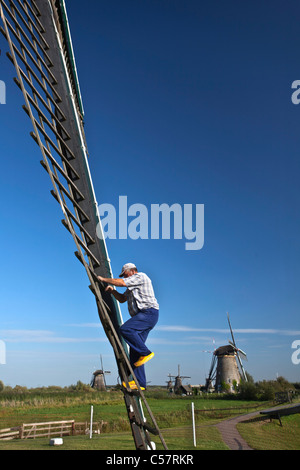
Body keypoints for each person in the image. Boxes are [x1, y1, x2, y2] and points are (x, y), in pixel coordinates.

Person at [97, 263, 159, 391]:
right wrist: (113, 291)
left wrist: (103, 279)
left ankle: (146, 352)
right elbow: (122, 299)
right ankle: (140, 383)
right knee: (134, 352)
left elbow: (121, 282)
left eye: (124, 274)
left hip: (148, 313)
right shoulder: (132, 286)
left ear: (131, 271)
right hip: (143, 317)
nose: (124, 276)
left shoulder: (140, 277)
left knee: (125, 329)